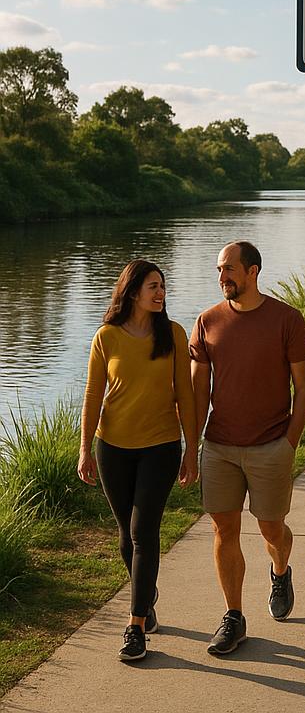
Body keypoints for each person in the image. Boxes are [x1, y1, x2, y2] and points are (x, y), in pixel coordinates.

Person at [190, 241, 305, 656]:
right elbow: (197, 393)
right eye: (219, 269)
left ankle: (280, 570)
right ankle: (233, 617)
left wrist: (288, 444)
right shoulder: (206, 322)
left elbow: (304, 389)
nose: (222, 276)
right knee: (224, 530)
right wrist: (193, 446)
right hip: (220, 447)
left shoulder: (287, 320)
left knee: (270, 529)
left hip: (269, 448)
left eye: (229, 269)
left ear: (253, 271)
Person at [78, 260, 198, 662]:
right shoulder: (106, 337)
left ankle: (135, 625)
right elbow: (93, 397)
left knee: (144, 531)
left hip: (161, 446)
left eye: (163, 286)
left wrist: (191, 449)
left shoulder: (174, 335)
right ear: (131, 292)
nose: (160, 293)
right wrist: (83, 450)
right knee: (126, 538)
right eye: (152, 286)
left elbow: (186, 394)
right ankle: (145, 593)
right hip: (111, 447)